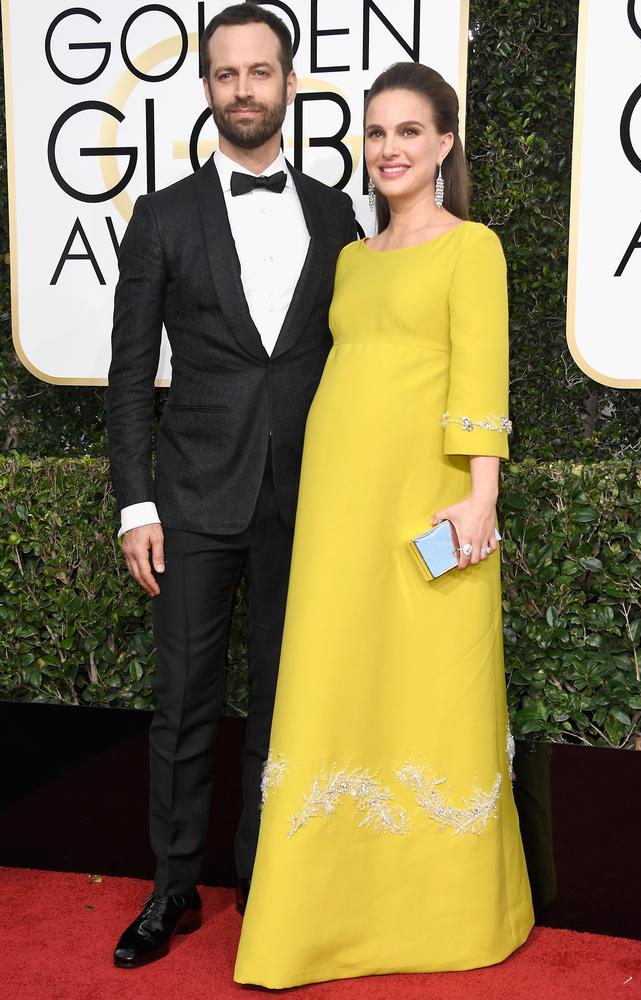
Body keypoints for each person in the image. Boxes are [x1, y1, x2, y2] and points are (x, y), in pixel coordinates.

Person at [234, 61, 534, 988]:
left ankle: (439, 913)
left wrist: (481, 493)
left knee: (433, 683)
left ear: (444, 142)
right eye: (376, 133)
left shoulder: (472, 247)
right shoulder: (352, 259)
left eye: (409, 131)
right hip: (337, 500)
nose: (390, 148)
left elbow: (480, 371)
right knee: (333, 674)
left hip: (431, 499)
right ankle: (321, 912)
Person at [106, 2, 356, 969]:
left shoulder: (337, 213)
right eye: (226, 74)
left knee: (289, 700)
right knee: (184, 704)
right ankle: (171, 889)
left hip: (309, 502)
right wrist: (136, 503)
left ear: (289, 84)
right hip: (193, 502)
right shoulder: (162, 216)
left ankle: (267, 879)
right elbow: (130, 377)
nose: (244, 89)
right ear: (206, 88)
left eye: (261, 72)